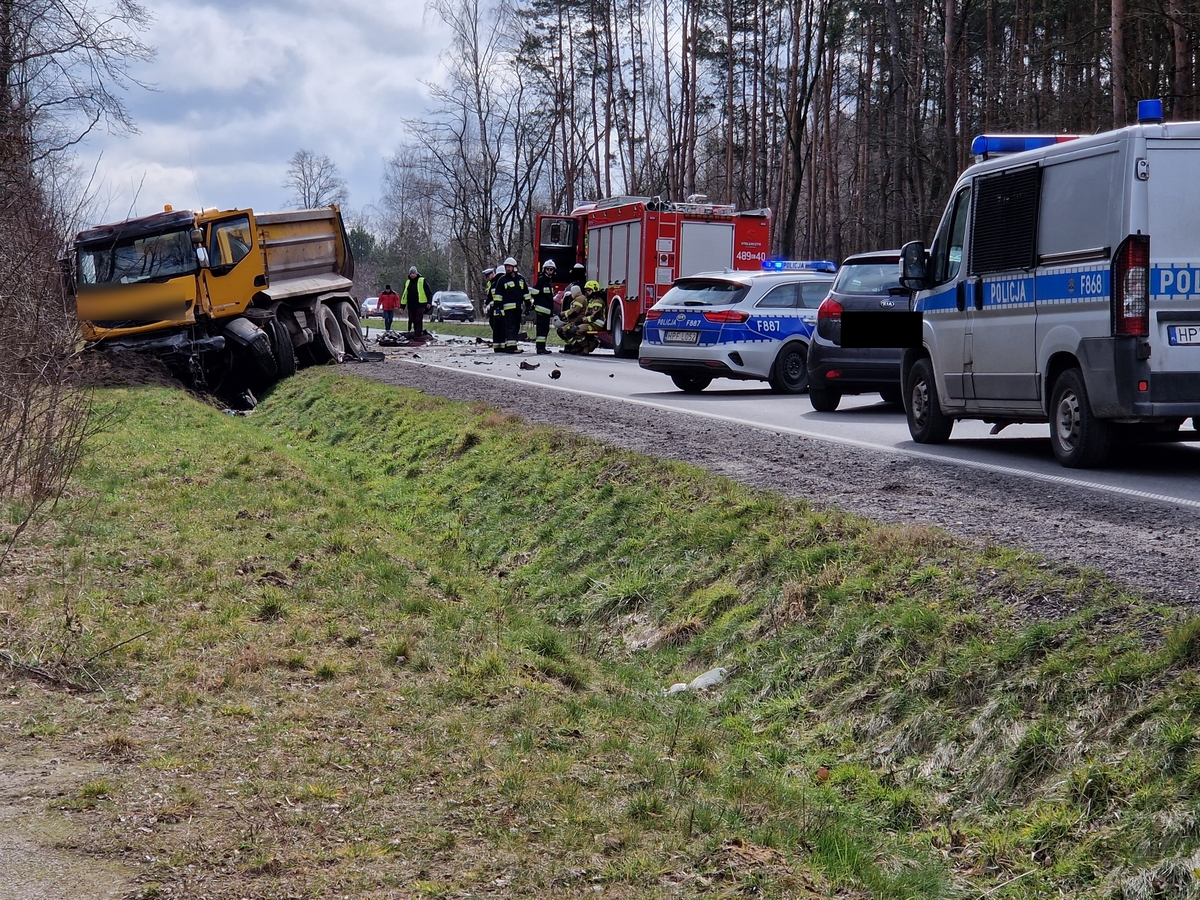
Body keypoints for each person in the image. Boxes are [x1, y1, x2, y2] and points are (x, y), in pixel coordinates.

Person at [557, 280, 605, 354]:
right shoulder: (591, 301)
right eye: (586, 291)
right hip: (590, 323)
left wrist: (582, 320)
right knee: (571, 330)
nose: (587, 292)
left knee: (576, 331)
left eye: (589, 290)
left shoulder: (597, 302)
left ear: (594, 290)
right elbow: (587, 314)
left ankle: (587, 346)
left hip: (596, 324)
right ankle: (579, 346)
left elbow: (594, 316)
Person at [492, 257, 529, 353]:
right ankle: (511, 348)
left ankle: (511, 345)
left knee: (516, 327)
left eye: (509, 266)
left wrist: (528, 305)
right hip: (507, 309)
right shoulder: (502, 280)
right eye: (506, 267)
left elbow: (526, 293)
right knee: (510, 327)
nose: (507, 268)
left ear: (514, 267)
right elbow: (498, 296)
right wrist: (498, 309)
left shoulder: (521, 279)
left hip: (518, 308)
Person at [529, 259, 556, 354]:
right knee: (541, 330)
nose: (549, 271)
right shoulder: (542, 280)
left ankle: (542, 348)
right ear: (544, 269)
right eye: (547, 269)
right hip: (541, 311)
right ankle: (540, 348)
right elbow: (534, 292)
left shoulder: (548, 281)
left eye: (551, 269)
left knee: (545, 330)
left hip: (546, 311)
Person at [401, 266, 432, 338]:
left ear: (416, 273)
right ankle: (415, 333)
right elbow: (405, 294)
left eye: (413, 273)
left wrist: (429, 302)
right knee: (412, 319)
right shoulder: (407, 282)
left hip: (420, 304)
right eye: (411, 273)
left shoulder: (422, 280)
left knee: (418, 319)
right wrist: (402, 306)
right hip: (411, 304)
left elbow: (428, 292)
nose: (412, 275)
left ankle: (418, 334)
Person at [483, 265, 505, 352]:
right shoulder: (494, 284)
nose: (487, 278)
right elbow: (490, 296)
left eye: (488, 276)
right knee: (500, 328)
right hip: (498, 309)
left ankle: (498, 346)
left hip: (496, 309)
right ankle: (502, 345)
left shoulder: (494, 284)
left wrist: (487, 304)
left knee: (497, 328)